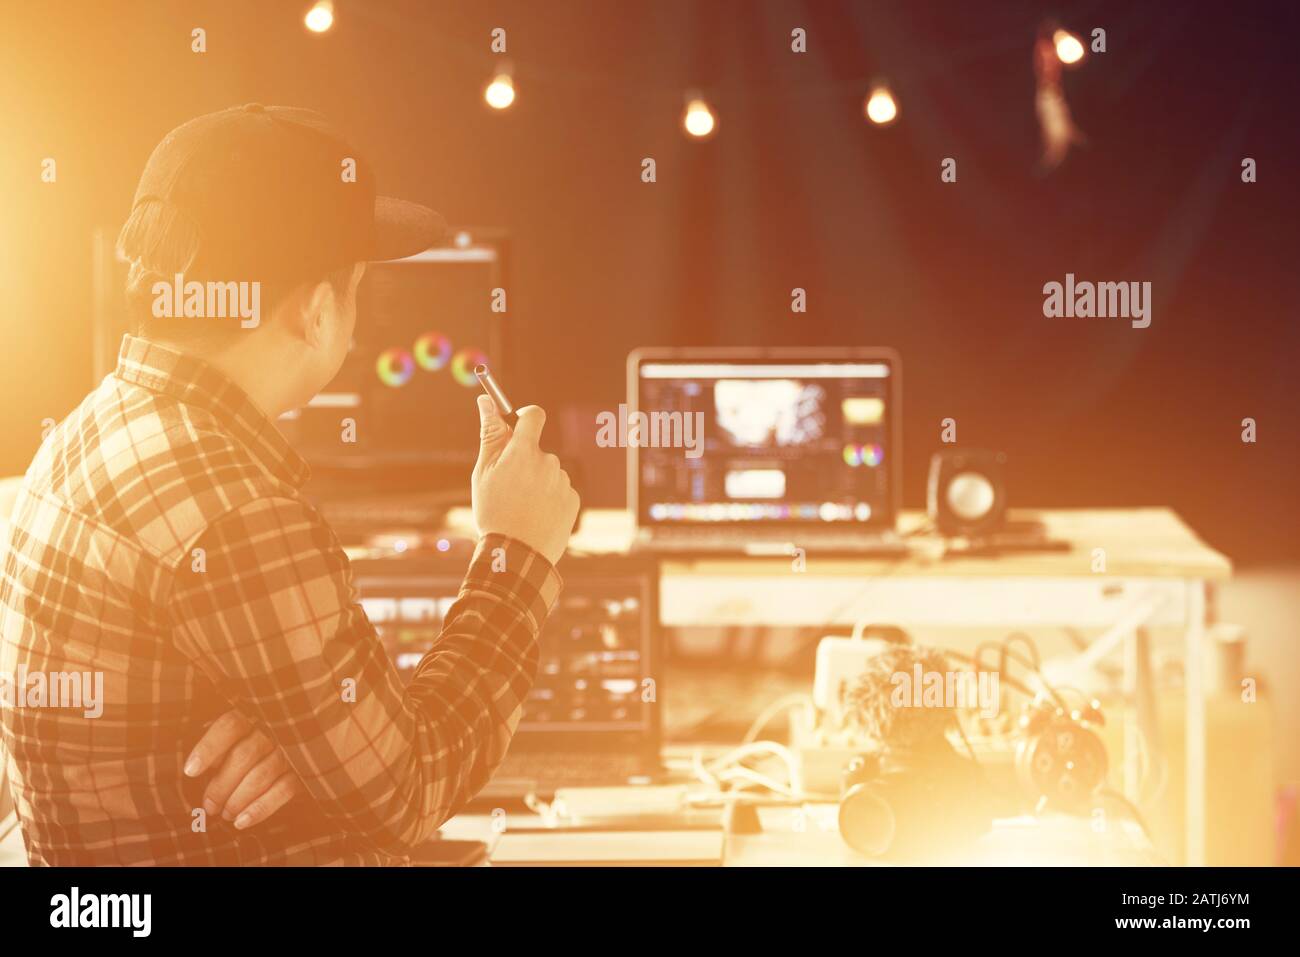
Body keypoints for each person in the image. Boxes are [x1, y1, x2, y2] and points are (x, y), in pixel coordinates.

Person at [0, 104, 579, 864]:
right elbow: (411, 788)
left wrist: (305, 737)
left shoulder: (85, 430)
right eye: (355, 292)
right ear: (314, 311)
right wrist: (515, 552)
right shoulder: (235, 507)